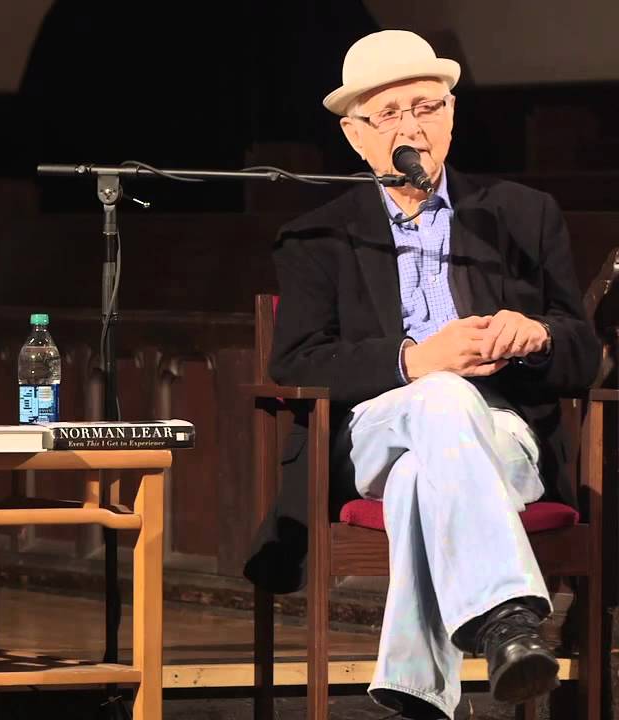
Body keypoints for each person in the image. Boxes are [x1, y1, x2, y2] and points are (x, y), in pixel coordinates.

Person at [242, 30, 601, 719]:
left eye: (427, 107)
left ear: (452, 115)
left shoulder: (520, 215)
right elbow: (296, 361)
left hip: (503, 442)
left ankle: (416, 688)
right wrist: (413, 361)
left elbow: (583, 352)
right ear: (355, 135)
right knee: (439, 394)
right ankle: (507, 614)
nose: (412, 127)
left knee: (420, 478)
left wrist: (540, 336)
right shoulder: (319, 236)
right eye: (390, 113)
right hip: (375, 435)